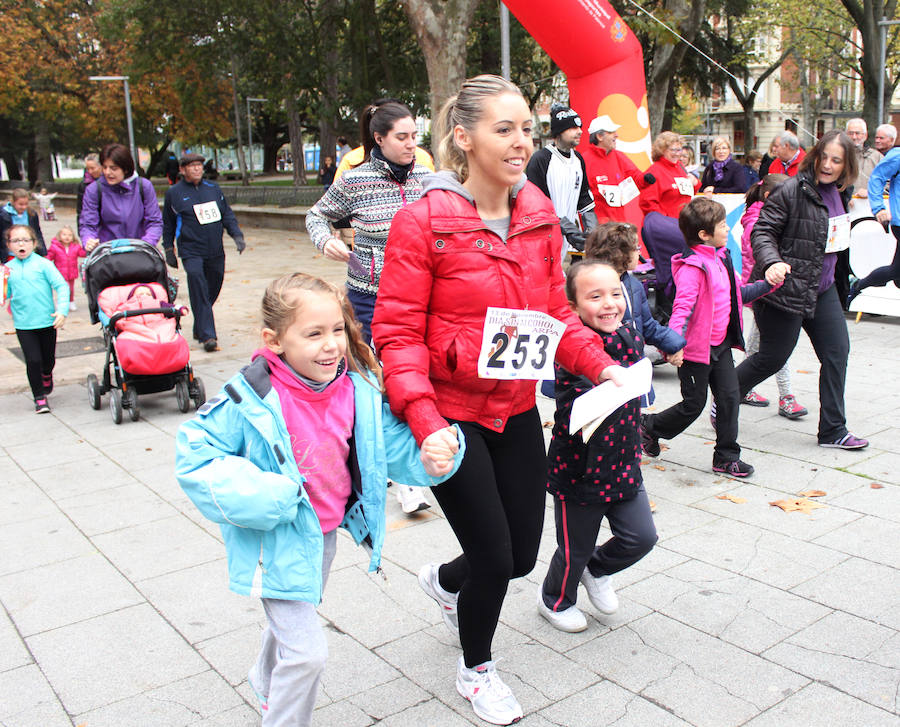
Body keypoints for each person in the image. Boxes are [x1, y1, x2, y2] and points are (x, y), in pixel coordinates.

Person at [371, 74, 626, 726]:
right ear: (464, 136)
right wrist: (423, 419)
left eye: (527, 131)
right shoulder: (423, 221)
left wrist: (602, 366)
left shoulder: (538, 214)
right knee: (492, 553)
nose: (520, 143)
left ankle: (445, 583)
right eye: (504, 129)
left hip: (514, 407)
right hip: (449, 416)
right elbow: (397, 333)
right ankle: (477, 669)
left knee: (517, 556)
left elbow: (553, 314)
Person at [175, 273, 463, 727]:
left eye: (337, 330)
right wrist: (269, 495)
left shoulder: (356, 389)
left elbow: (386, 447)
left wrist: (432, 453)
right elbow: (195, 454)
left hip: (323, 534)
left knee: (298, 612)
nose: (331, 345)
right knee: (306, 654)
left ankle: (264, 677)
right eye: (313, 334)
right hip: (274, 538)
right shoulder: (248, 396)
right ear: (274, 341)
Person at [305, 100, 433, 515]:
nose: (411, 144)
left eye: (415, 137)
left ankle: (420, 454)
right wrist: (327, 241)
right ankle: (402, 479)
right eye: (402, 137)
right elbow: (316, 216)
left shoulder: (428, 179)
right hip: (370, 296)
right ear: (379, 139)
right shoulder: (355, 181)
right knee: (382, 379)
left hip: (422, 294)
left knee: (416, 376)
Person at [537, 260, 658, 633]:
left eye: (615, 293)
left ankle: (598, 569)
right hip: (580, 470)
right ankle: (555, 600)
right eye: (595, 296)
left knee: (642, 537)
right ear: (572, 307)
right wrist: (608, 384)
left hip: (623, 462)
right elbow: (572, 402)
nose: (609, 303)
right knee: (574, 549)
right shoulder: (571, 348)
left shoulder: (630, 334)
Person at [737, 129, 868, 450]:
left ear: (846, 165)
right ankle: (726, 395)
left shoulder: (840, 193)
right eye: (824, 157)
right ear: (815, 156)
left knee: (837, 353)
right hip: (785, 289)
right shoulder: (791, 189)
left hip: (822, 289)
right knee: (771, 358)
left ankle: (833, 430)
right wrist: (771, 262)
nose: (828, 165)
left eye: (837, 160)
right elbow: (763, 231)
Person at [640, 197, 774, 477]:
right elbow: (681, 310)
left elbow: (737, 295)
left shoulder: (722, 257)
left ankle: (726, 457)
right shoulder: (692, 268)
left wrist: (768, 285)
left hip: (720, 346)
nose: (728, 229)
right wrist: (672, 345)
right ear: (704, 234)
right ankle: (649, 426)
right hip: (694, 351)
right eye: (723, 225)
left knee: (729, 398)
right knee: (693, 405)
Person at [585, 222, 685, 407]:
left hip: (631, 368)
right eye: (635, 247)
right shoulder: (588, 284)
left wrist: (674, 345)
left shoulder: (634, 285)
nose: (639, 252)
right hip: (601, 374)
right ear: (620, 253)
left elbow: (648, 325)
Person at [738, 174, 807, 418]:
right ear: (770, 197)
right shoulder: (758, 222)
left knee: (760, 345)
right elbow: (761, 255)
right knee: (777, 349)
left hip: (769, 289)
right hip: (765, 291)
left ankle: (742, 386)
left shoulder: (767, 216)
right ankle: (786, 396)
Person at [162, 152, 245, 353]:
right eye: (192, 166)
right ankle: (208, 335)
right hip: (191, 250)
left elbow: (226, 214)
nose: (197, 169)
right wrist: (168, 249)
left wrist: (236, 235)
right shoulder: (174, 193)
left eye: (199, 165)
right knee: (198, 285)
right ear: (183, 170)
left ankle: (200, 325)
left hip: (215, 249)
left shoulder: (213, 189)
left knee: (212, 288)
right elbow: (168, 224)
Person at [2, 224, 69, 413]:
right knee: (32, 360)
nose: (21, 244)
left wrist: (62, 311)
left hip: (48, 321)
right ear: (8, 245)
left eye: (25, 240)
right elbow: (4, 294)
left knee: (48, 361)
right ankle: (39, 398)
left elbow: (62, 286)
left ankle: (47, 374)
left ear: (34, 243)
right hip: (24, 324)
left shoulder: (44, 264)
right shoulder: (7, 270)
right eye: (16, 241)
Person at [525, 102, 597, 256]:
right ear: (559, 132)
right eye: (573, 128)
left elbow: (584, 198)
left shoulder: (578, 159)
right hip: (541, 239)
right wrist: (566, 228)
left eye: (580, 127)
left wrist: (591, 230)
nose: (579, 131)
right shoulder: (541, 159)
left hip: (564, 240)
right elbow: (535, 204)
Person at [639, 131, 699, 315]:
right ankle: (667, 307)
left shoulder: (680, 167)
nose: (677, 153)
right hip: (666, 231)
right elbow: (648, 203)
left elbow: (688, 190)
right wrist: (666, 222)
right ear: (662, 150)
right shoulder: (655, 171)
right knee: (670, 270)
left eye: (679, 149)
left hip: (683, 228)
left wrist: (696, 183)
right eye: (672, 149)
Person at [79, 143, 162, 252]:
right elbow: (88, 224)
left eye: (113, 168)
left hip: (140, 252)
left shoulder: (144, 186)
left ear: (126, 169)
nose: (108, 172)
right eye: (104, 167)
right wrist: (88, 240)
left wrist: (146, 243)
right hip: (107, 254)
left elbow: (154, 221)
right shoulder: (94, 190)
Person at [849, 139, 900, 305]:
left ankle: (857, 286)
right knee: (896, 271)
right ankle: (857, 286)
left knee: (896, 271)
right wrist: (878, 208)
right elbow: (876, 178)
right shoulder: (897, 155)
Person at [582, 115, 655, 224]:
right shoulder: (584, 160)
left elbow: (635, 176)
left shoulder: (619, 156)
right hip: (597, 226)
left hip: (619, 222)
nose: (617, 135)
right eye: (611, 132)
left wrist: (645, 179)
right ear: (599, 136)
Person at [46, 226, 86, 311]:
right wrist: (44, 258)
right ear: (59, 236)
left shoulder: (75, 247)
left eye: (70, 235)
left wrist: (87, 249)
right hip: (60, 273)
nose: (67, 237)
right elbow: (49, 256)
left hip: (71, 272)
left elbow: (82, 253)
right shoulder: (55, 247)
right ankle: (62, 303)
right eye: (64, 235)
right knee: (64, 288)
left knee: (71, 289)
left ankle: (71, 302)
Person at [0, 189, 45, 260]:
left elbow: (37, 233)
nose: (24, 207)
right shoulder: (3, 216)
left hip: (29, 252)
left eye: (26, 204)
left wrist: (43, 252)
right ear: (13, 202)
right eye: (20, 204)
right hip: (11, 254)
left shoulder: (32, 214)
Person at [845, 118, 882, 198]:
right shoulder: (839, 156)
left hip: (868, 203)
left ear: (865, 135)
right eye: (850, 133)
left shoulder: (876, 157)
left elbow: (889, 182)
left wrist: (870, 192)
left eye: (858, 133)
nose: (854, 137)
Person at [76, 153, 102, 229]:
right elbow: (80, 211)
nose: (90, 171)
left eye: (93, 168)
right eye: (88, 169)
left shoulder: (110, 182)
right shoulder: (83, 185)